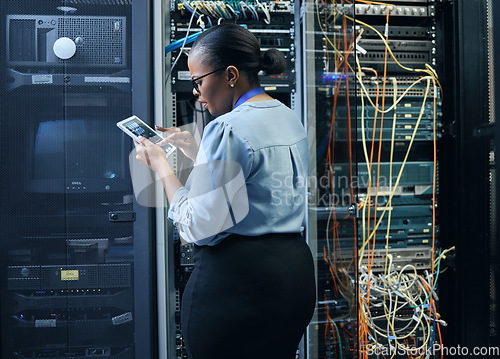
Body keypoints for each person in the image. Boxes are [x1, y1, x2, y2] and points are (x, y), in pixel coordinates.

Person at [134, 23, 316, 359]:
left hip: (239, 293)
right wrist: (199, 151)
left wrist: (161, 166)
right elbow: (256, 182)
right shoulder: (288, 116)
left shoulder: (227, 127)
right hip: (294, 283)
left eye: (199, 81)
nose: (197, 93)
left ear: (231, 75)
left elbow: (196, 226)